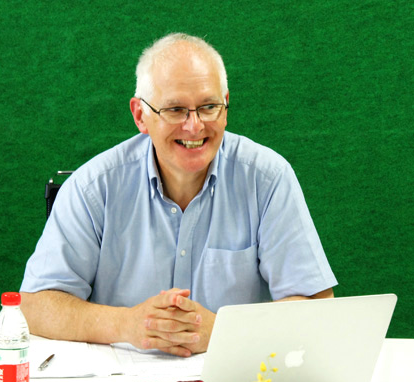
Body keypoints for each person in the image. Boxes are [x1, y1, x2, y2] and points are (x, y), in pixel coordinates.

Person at [20, 33, 337, 357]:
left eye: (208, 107)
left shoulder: (267, 179)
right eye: (175, 109)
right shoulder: (93, 187)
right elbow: (34, 306)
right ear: (140, 115)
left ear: (225, 107)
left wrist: (223, 331)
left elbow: (317, 305)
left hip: (234, 381)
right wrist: (128, 324)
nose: (194, 126)